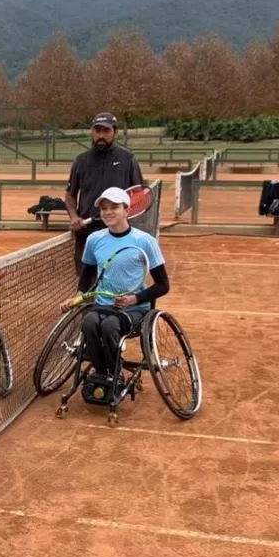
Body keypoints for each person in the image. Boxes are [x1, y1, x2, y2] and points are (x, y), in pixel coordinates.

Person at [61, 186, 170, 382]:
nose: (108, 212)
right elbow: (86, 275)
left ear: (126, 210)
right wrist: (78, 296)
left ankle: (112, 372)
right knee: (89, 323)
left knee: (110, 326)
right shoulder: (94, 240)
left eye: (114, 207)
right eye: (104, 208)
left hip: (136, 310)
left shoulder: (145, 241)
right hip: (103, 305)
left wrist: (134, 299)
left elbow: (163, 285)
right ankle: (104, 372)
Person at [64, 112, 145, 276]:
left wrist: (122, 217)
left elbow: (139, 194)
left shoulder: (128, 159)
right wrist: (74, 216)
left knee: (118, 279)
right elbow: (70, 195)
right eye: (97, 130)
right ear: (92, 132)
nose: (101, 135)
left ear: (114, 132)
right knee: (86, 283)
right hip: (87, 233)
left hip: (119, 233)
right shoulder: (81, 161)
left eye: (106, 131)